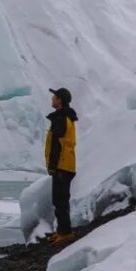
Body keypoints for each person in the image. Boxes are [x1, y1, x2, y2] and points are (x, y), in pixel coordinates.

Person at [45, 87, 78, 244]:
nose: (52, 99)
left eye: (55, 97)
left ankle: (65, 232)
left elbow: (57, 145)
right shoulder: (66, 117)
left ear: (60, 101)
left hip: (62, 165)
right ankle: (62, 230)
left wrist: (52, 165)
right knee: (60, 199)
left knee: (60, 200)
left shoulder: (61, 118)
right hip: (66, 164)